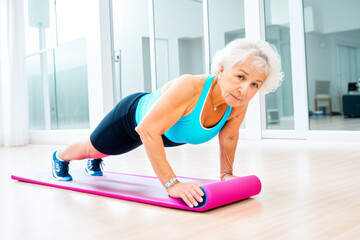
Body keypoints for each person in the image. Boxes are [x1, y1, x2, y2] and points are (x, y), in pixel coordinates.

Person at [51, 38, 284, 208]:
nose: (245, 89)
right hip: (132, 119)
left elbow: (230, 136)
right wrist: (172, 184)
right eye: (241, 77)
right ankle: (59, 156)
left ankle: (97, 158)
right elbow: (147, 129)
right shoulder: (190, 88)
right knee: (91, 149)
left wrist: (226, 175)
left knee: (102, 151)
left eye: (255, 84)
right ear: (222, 70)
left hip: (163, 133)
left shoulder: (238, 101)